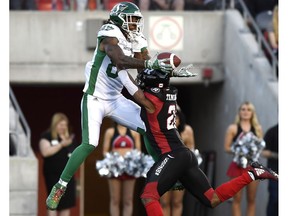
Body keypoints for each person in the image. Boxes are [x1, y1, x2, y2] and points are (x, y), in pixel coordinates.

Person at [46, 1, 174, 210]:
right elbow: (120, 60)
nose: (134, 26)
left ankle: (166, 171)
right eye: (131, 20)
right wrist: (150, 64)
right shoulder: (109, 32)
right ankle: (60, 186)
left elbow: (144, 70)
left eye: (137, 21)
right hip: (95, 97)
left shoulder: (137, 39)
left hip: (115, 97)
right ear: (119, 19)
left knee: (148, 127)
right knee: (89, 144)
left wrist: (166, 72)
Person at [135, 69, 278, 216]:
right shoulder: (167, 94)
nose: (141, 82)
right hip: (185, 155)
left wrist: (119, 67)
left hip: (172, 155)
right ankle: (252, 174)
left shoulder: (151, 99)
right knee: (212, 199)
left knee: (148, 196)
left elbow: (131, 87)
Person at [224, 101, 264, 216]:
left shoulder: (257, 129)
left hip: (253, 167)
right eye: (243, 109)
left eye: (249, 109)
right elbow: (226, 148)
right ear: (239, 112)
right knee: (236, 199)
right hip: (237, 166)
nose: (246, 112)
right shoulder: (233, 128)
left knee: (251, 199)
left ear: (252, 113)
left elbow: (259, 147)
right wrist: (240, 150)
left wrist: (251, 150)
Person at [39, 113, 78, 216]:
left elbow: (76, 155)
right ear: (55, 124)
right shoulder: (47, 136)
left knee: (66, 203)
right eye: (60, 125)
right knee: (53, 202)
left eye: (65, 125)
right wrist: (61, 144)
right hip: (53, 175)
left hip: (68, 176)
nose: (63, 127)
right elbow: (45, 152)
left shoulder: (70, 138)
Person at [160, 108, 195, 216]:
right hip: (164, 170)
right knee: (164, 202)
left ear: (180, 119)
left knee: (177, 202)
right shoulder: (160, 131)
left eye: (176, 117)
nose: (174, 119)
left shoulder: (187, 131)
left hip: (180, 172)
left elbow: (191, 151)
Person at [102, 122, 142, 216]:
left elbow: (138, 152)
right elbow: (105, 151)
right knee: (115, 199)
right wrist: (115, 159)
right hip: (115, 167)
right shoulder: (110, 132)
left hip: (129, 168)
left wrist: (131, 159)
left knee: (128, 199)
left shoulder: (134, 132)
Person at [262, 124, 278, 216]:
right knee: (275, 198)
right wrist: (277, 155)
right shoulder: (272, 131)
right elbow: (263, 152)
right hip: (275, 172)